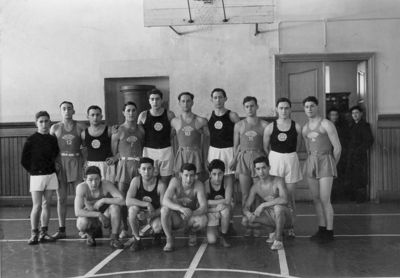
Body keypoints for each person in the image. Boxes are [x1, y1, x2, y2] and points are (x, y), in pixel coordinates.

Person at [302, 96, 341, 243]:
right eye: (306, 106)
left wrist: (331, 165)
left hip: (326, 161)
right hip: (312, 161)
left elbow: (337, 148)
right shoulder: (305, 128)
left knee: (325, 199)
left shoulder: (326, 124)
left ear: (317, 107)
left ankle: (329, 232)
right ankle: (322, 229)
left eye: (312, 105)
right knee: (316, 199)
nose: (309, 109)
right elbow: (308, 149)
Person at [263, 97, 302, 237]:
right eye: (281, 108)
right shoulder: (270, 127)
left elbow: (298, 146)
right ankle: (275, 227)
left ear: (290, 109)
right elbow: (265, 147)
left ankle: (290, 226)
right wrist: (276, 157)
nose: (284, 110)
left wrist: (288, 156)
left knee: (290, 197)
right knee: (275, 196)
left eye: (286, 108)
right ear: (276, 109)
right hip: (275, 159)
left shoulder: (296, 126)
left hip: (291, 159)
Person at [21, 111, 60, 244]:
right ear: (36, 123)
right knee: (37, 205)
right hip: (37, 176)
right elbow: (24, 160)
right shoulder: (31, 140)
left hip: (51, 175)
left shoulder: (52, 139)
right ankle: (34, 233)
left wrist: (52, 169)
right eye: (41, 121)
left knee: (46, 204)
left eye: (46, 121)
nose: (44, 124)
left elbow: (55, 154)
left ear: (50, 122)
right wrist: (34, 171)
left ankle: (44, 232)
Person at [50, 101, 86, 239]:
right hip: (61, 164)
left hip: (76, 162)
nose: (66, 111)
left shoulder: (80, 127)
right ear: (60, 111)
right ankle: (62, 229)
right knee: (61, 198)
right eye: (64, 109)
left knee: (80, 197)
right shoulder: (55, 128)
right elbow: (51, 148)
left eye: (69, 108)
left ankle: (83, 228)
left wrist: (85, 163)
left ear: (73, 111)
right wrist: (54, 163)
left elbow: (85, 147)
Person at [207, 88, 240, 234]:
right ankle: (215, 219)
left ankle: (230, 221)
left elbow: (241, 136)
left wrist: (236, 156)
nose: (218, 100)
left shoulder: (232, 115)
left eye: (221, 97)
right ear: (211, 99)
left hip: (229, 152)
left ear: (225, 99)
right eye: (215, 97)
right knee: (214, 186)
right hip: (214, 152)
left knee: (229, 188)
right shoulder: (209, 115)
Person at [230, 96, 268, 220]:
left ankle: (258, 221)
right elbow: (236, 146)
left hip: (259, 160)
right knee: (245, 193)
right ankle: (246, 220)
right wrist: (235, 160)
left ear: (257, 107)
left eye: (252, 106)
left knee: (259, 193)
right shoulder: (239, 125)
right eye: (247, 106)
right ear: (244, 108)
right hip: (243, 160)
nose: (250, 108)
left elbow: (268, 147)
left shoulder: (264, 125)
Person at [242, 156, 292, 250]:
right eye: (258, 169)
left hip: (286, 216)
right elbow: (246, 207)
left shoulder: (278, 180)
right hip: (271, 216)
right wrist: (248, 213)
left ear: (269, 167)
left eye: (264, 168)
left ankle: (278, 240)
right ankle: (273, 232)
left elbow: (285, 199)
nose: (261, 172)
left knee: (278, 208)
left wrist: (263, 205)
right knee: (245, 221)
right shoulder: (255, 187)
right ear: (255, 170)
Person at [112, 101, 144, 238]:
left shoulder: (141, 129)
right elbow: (114, 151)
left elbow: (143, 147)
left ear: (136, 113)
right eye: (128, 110)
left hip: (138, 166)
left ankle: (140, 225)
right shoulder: (118, 130)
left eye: (133, 110)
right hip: (123, 167)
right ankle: (125, 228)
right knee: (123, 198)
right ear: (123, 113)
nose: (131, 113)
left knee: (139, 196)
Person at [74, 166, 125, 248]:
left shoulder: (106, 184)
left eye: (97, 179)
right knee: (81, 223)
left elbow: (122, 200)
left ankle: (114, 238)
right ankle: (90, 234)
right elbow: (78, 212)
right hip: (92, 216)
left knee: (115, 207)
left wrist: (103, 200)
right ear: (85, 179)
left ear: (101, 178)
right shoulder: (81, 187)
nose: (94, 183)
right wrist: (98, 215)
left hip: (106, 215)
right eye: (90, 180)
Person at [161, 163, 208, 252]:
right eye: (186, 175)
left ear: (195, 176)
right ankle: (169, 238)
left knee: (203, 220)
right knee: (164, 210)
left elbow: (203, 207)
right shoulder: (175, 181)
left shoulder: (198, 185)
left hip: (190, 217)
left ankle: (192, 232)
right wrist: (180, 208)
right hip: (177, 217)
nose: (189, 179)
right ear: (180, 174)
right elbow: (165, 201)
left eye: (191, 176)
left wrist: (190, 213)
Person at [126, 157, 166, 251]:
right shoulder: (136, 181)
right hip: (140, 215)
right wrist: (146, 204)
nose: (146, 172)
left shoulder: (161, 185)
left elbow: (164, 207)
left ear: (154, 170)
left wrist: (149, 215)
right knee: (132, 209)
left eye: (149, 168)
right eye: (143, 169)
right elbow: (128, 200)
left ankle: (156, 234)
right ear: (139, 170)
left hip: (153, 215)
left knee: (158, 226)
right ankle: (137, 239)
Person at [138, 89, 175, 185]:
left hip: (166, 150)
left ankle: (164, 199)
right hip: (149, 150)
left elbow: (173, 133)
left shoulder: (169, 114)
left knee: (165, 181)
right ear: (149, 101)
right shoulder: (143, 115)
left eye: (157, 99)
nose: (155, 102)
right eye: (152, 99)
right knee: (149, 180)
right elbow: (138, 134)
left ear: (162, 100)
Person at [171, 92, 209, 176]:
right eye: (183, 101)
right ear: (179, 103)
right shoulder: (174, 121)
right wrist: (173, 158)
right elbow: (170, 140)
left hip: (195, 154)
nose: (185, 104)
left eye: (188, 101)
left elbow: (208, 141)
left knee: (196, 179)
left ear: (192, 103)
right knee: (181, 180)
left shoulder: (201, 121)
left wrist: (205, 158)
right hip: (181, 154)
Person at [81, 105, 118, 182]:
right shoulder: (84, 133)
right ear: (88, 117)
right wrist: (84, 161)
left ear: (101, 116)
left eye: (97, 115)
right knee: (92, 191)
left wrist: (115, 158)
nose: (95, 117)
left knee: (108, 190)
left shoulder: (110, 130)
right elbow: (83, 150)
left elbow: (120, 148)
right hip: (90, 165)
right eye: (92, 115)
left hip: (107, 164)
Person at [345, 105, 374, 203]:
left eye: (357, 113)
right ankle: (352, 196)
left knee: (359, 176)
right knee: (351, 175)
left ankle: (360, 198)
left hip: (359, 155)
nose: (355, 115)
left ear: (361, 114)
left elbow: (369, 140)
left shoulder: (365, 125)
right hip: (350, 154)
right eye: (353, 113)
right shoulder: (351, 125)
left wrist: (359, 151)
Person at [205, 159, 232, 247]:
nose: (217, 177)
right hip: (212, 210)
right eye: (214, 174)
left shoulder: (227, 180)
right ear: (210, 174)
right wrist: (215, 209)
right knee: (212, 241)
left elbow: (228, 201)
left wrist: (210, 202)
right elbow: (204, 204)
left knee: (226, 209)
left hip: (224, 208)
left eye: (220, 174)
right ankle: (218, 228)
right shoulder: (206, 185)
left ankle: (224, 235)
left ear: (224, 173)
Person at [327, 107, 350, 201]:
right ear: (329, 116)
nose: (334, 117)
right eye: (332, 115)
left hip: (339, 153)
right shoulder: (326, 126)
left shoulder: (342, 127)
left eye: (336, 115)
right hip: (327, 153)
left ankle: (338, 196)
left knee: (338, 175)